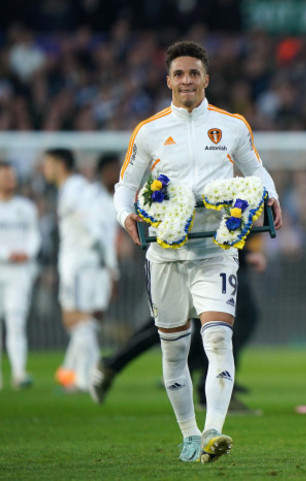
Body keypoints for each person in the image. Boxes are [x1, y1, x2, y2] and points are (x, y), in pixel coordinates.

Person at [113, 40, 282, 464]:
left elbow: (256, 170)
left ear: (207, 78)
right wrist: (125, 216)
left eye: (194, 73)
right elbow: (125, 186)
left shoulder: (232, 125)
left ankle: (213, 432)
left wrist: (273, 195)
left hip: (216, 250)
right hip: (166, 256)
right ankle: (188, 433)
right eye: (179, 74)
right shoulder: (149, 131)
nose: (187, 80)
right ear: (168, 79)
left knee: (219, 337)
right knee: (173, 350)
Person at [89, 246, 267, 415]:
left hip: (209, 252)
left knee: (192, 322)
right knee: (179, 322)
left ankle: (210, 382)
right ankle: (211, 387)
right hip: (196, 253)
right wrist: (244, 252)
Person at [42, 148, 116, 393]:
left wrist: (95, 246)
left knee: (74, 319)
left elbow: (89, 222)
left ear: (60, 164)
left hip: (78, 263)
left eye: (48, 164)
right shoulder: (83, 188)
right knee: (87, 320)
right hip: (90, 264)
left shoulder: (72, 187)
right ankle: (71, 372)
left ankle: (89, 376)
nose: (45, 169)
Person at [0, 161, 41, 390]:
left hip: (19, 272)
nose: (9, 180)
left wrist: (26, 253)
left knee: (15, 320)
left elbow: (34, 235)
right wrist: (7, 254)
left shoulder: (25, 207)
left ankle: (18, 372)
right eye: (5, 176)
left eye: (11, 176)